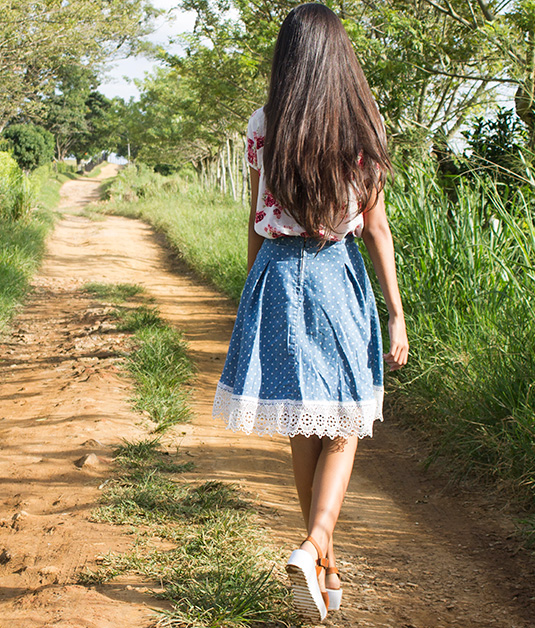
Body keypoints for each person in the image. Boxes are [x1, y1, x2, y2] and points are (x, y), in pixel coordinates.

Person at [211, 3, 409, 622]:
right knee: (345, 424)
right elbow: (375, 227)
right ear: (340, 56)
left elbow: (254, 219)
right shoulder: (363, 125)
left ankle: (325, 564)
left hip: (275, 273)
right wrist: (397, 313)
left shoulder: (266, 122)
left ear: (288, 58)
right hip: (334, 272)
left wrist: (250, 294)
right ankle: (316, 545)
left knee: (305, 423)